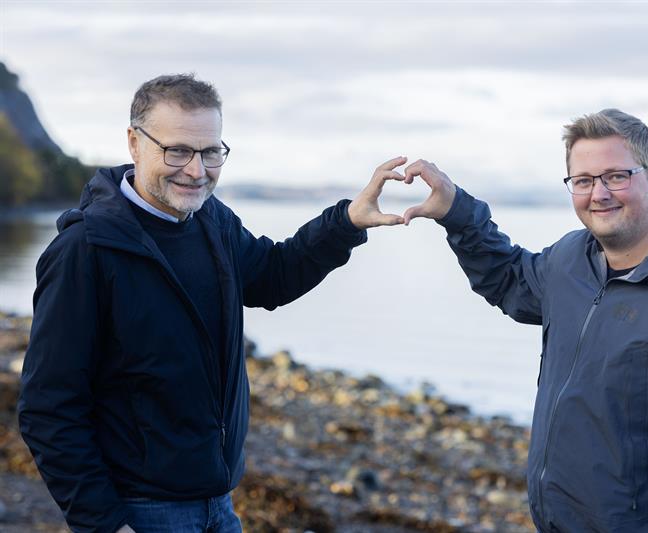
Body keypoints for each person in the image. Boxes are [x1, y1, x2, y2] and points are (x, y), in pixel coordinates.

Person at [18, 73, 407, 533]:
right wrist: (104, 522)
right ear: (134, 143)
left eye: (210, 152)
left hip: (219, 505)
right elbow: (48, 407)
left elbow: (272, 277)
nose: (196, 170)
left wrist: (346, 222)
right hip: (140, 511)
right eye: (177, 151)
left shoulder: (212, 221)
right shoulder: (85, 250)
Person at [401, 109, 648, 531]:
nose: (599, 194)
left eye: (616, 176)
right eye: (583, 181)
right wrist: (455, 210)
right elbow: (510, 280)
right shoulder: (571, 260)